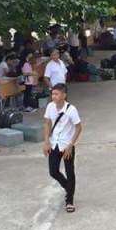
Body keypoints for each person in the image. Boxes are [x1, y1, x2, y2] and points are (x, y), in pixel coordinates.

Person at [43, 84, 82, 213]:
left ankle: (69, 200)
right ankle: (68, 188)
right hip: (54, 143)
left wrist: (71, 145)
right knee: (53, 171)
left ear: (64, 95)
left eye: (56, 94)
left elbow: (78, 127)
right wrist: (46, 141)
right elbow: (47, 123)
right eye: (52, 94)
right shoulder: (50, 107)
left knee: (70, 172)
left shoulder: (71, 110)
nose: (53, 96)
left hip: (66, 145)